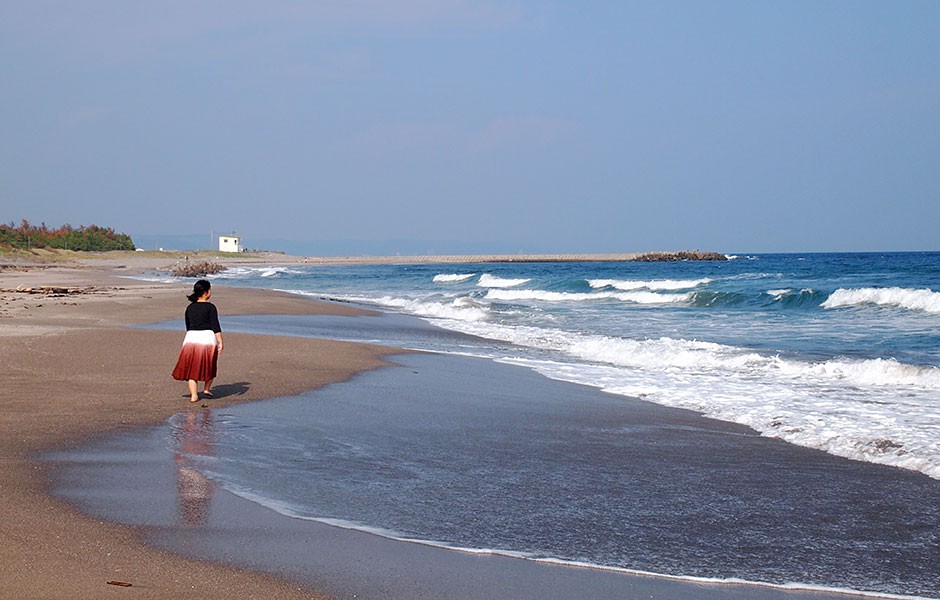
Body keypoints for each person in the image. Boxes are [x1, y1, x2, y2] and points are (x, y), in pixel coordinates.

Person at [171, 279, 224, 403]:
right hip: (207, 338)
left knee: (192, 368)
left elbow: (188, 325)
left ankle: (194, 395)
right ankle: (206, 389)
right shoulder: (211, 307)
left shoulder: (190, 307)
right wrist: (220, 342)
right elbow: (215, 326)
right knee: (209, 365)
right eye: (209, 290)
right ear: (205, 292)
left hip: (191, 337)